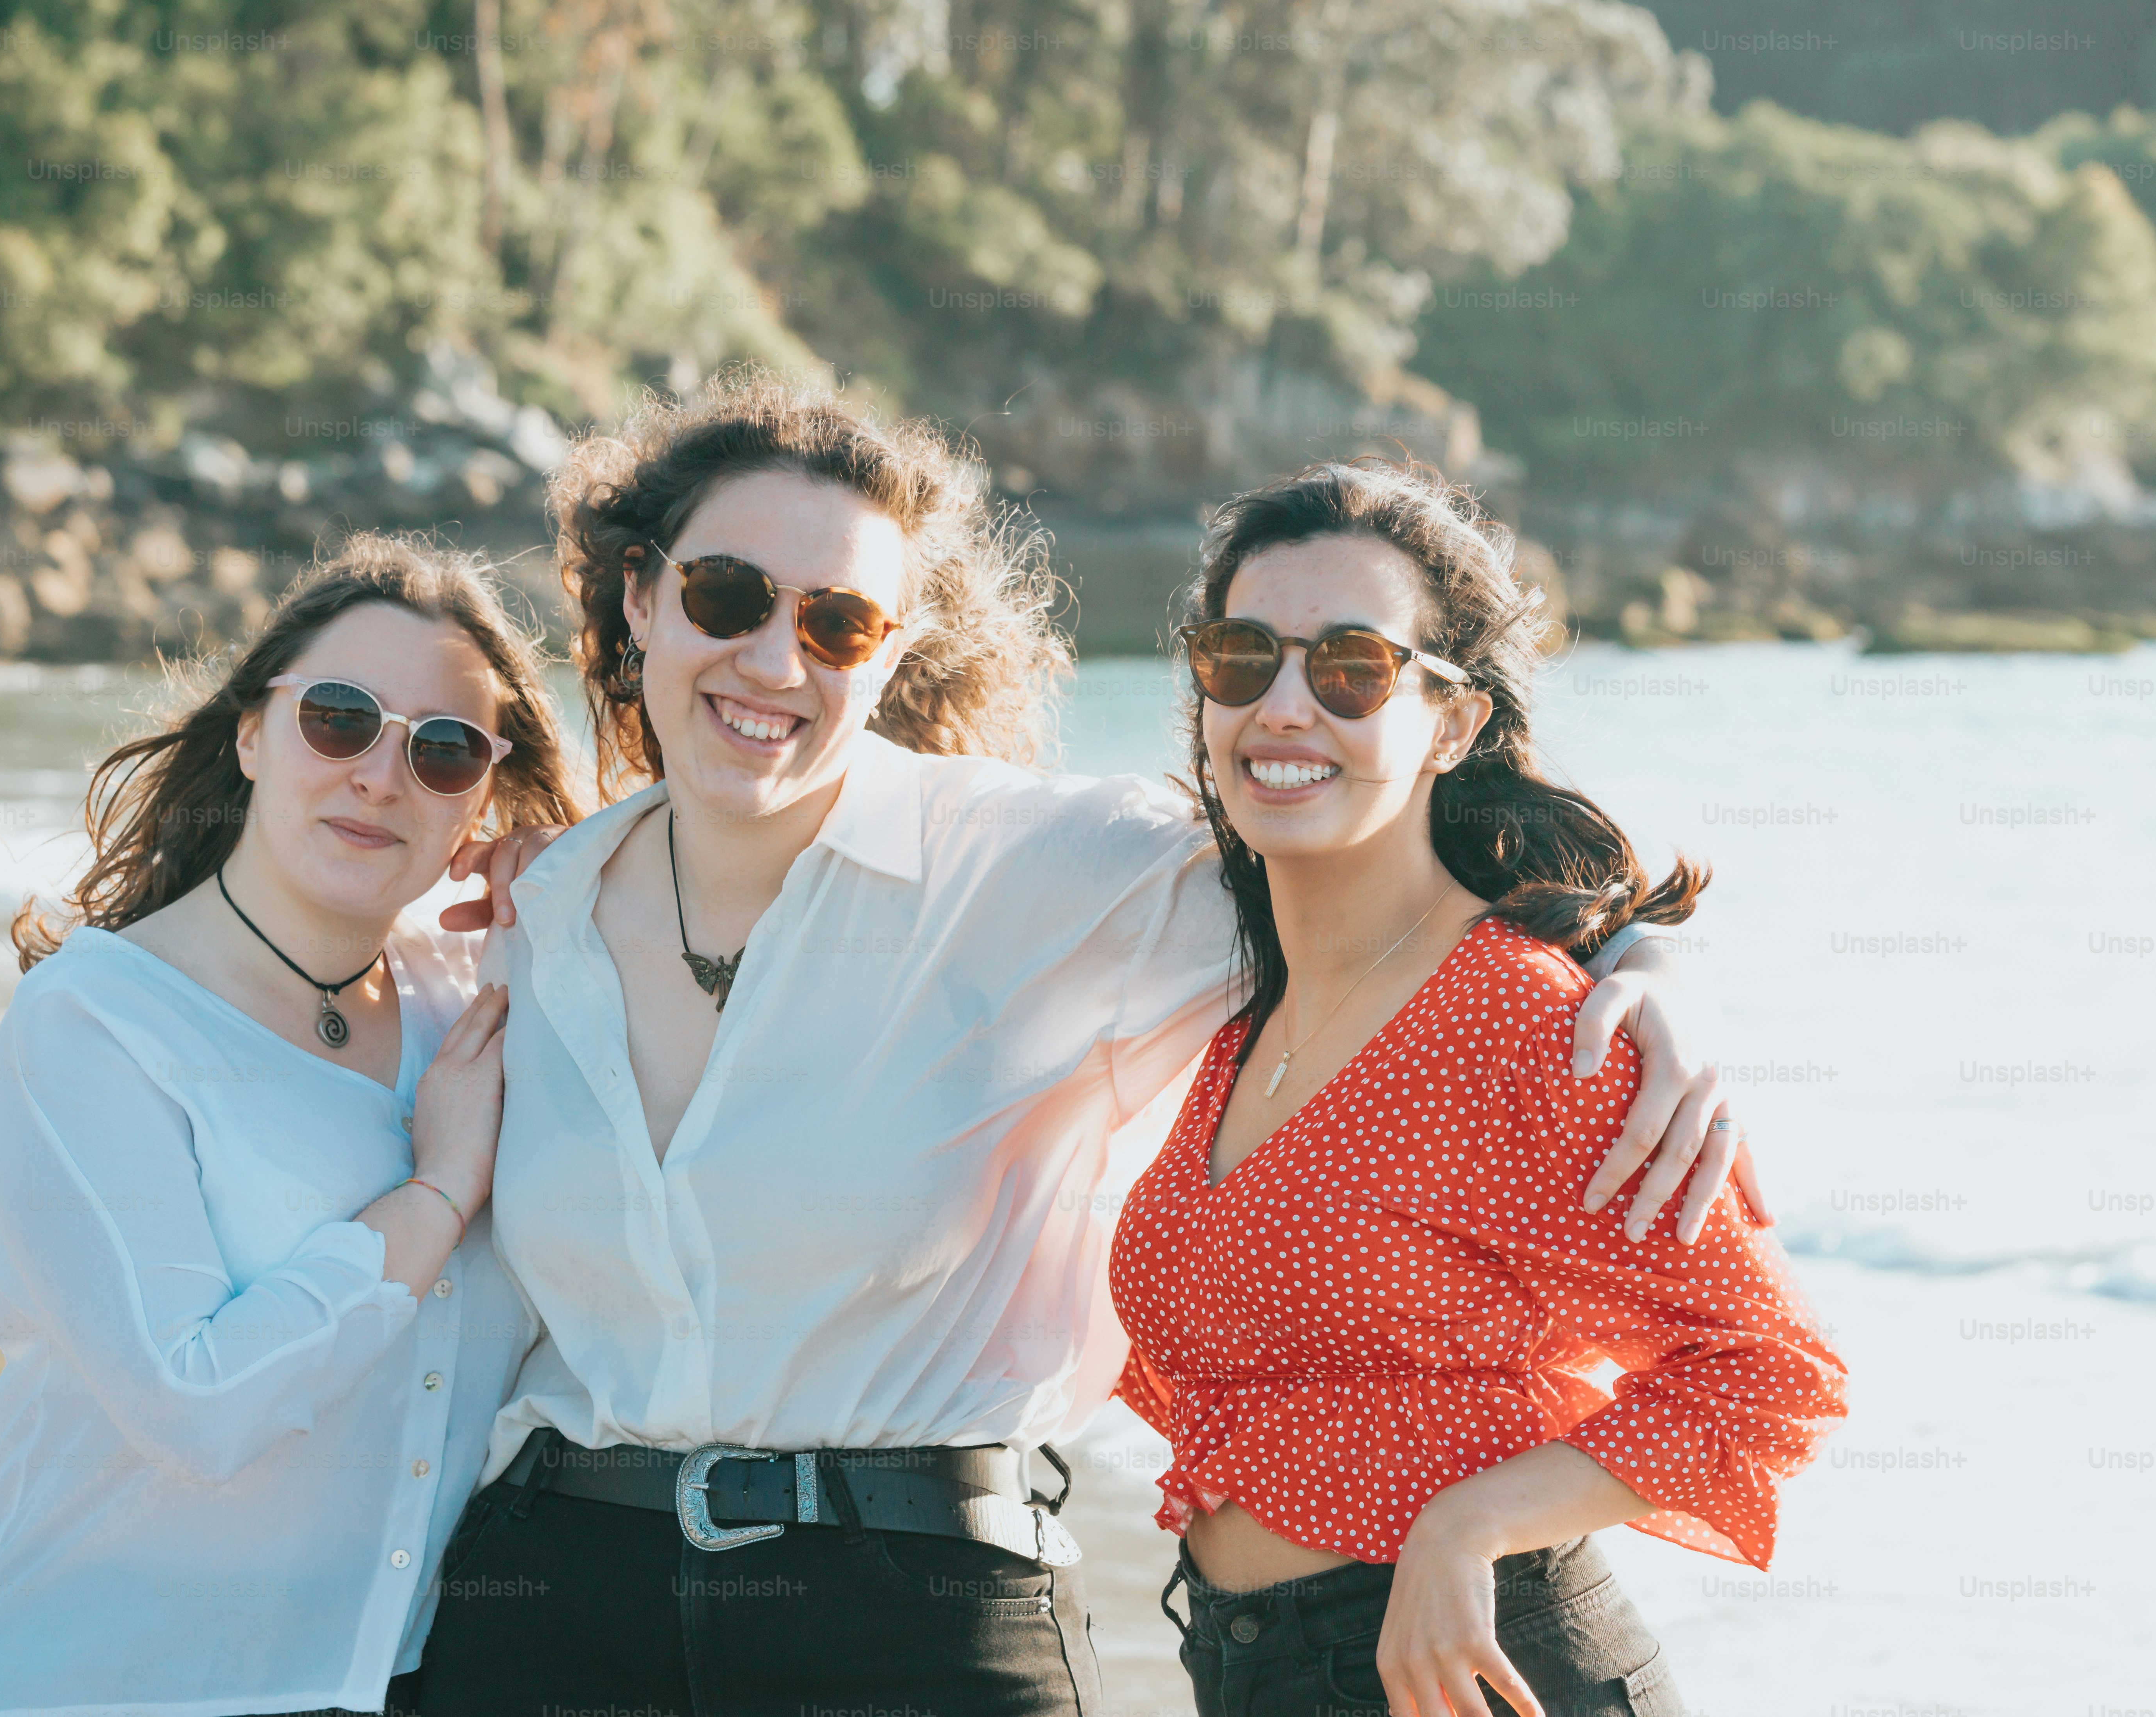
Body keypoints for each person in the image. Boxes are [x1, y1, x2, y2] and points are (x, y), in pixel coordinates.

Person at [423, 376, 1752, 1714]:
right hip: (550, 1607)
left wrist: (1640, 955)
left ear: (891, 654)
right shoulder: (530, 911)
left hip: (911, 1610)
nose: (775, 660)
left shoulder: (1045, 872)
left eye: (837, 622)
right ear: (642, 598)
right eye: (725, 596)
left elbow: (1369, 843)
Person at [1111, 462, 1846, 1717]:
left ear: (1449, 723)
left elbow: (1773, 1372)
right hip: (1246, 1668)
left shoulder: (1520, 1016)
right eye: (1241, 657)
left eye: (1350, 668)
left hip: (1482, 1666)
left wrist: (1465, 1523)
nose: (1284, 705)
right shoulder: (1249, 1005)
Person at [0, 537, 580, 1717]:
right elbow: (197, 1402)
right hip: (93, 1688)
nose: (382, 776)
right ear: (251, 733)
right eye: (339, 717)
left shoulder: (480, 1011)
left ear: (482, 789)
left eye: (442, 750)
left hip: (393, 1684)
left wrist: (580, 907)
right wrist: (435, 1192)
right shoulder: (94, 1025)